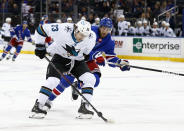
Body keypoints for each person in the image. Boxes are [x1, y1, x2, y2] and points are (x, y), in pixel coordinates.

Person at [46, 18, 130, 119]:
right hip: (75, 58)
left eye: (108, 29)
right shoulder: (90, 31)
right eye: (103, 28)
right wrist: (95, 55)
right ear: (100, 27)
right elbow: (77, 46)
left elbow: (110, 58)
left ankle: (80, 93)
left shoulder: (109, 42)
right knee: (66, 82)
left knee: (95, 79)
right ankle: (48, 100)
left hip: (89, 61)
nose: (105, 31)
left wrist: (120, 63)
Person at [29, 20, 97, 119]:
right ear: (75, 29)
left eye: (84, 36)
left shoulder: (91, 37)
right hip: (60, 59)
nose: (82, 38)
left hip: (77, 61)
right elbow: (41, 29)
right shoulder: (63, 29)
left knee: (90, 78)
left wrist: (86, 55)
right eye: (80, 34)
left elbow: (86, 53)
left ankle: (84, 107)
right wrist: (39, 46)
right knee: (53, 80)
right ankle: (38, 106)